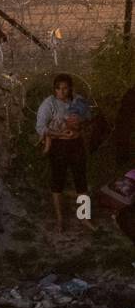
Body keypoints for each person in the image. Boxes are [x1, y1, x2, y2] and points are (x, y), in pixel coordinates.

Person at [35, 72, 94, 233]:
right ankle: (60, 220)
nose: (62, 92)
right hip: (59, 146)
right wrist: (60, 134)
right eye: (58, 89)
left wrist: (80, 121)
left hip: (76, 144)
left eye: (65, 88)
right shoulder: (49, 104)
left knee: (81, 181)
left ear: (70, 89)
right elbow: (40, 127)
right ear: (54, 90)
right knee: (58, 183)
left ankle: (84, 217)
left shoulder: (78, 100)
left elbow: (89, 116)